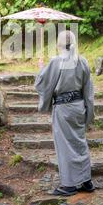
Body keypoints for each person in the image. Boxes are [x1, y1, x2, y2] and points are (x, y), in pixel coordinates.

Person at [34, 30, 95, 196]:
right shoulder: (82, 61)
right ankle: (86, 181)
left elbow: (44, 83)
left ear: (59, 44)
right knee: (79, 142)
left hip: (63, 108)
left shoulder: (57, 61)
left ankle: (68, 185)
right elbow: (88, 90)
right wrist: (89, 113)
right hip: (78, 107)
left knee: (65, 146)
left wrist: (41, 69)